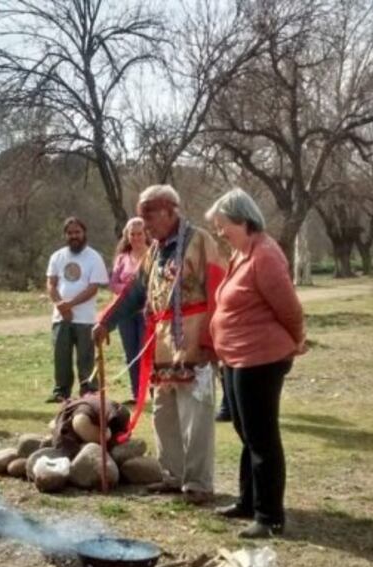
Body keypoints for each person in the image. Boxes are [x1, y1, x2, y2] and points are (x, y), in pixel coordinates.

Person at [95, 185, 226, 504]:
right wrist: (105, 321)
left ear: (170, 210)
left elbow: (218, 291)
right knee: (164, 413)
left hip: (195, 339)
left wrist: (211, 340)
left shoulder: (200, 241)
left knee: (195, 415)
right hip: (162, 344)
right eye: (141, 217)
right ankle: (173, 475)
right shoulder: (155, 251)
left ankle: (198, 483)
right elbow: (134, 293)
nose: (145, 225)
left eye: (149, 216)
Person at [205, 188, 304, 538]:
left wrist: (295, 341)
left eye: (223, 225)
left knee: (262, 438)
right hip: (236, 358)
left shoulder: (265, 255)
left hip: (260, 359)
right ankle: (248, 502)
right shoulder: (241, 254)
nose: (220, 232)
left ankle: (269, 516)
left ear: (244, 221)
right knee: (245, 433)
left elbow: (289, 308)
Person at [45, 217, 109, 403]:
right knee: (61, 356)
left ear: (84, 233)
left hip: (85, 319)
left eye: (77, 232)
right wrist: (60, 305)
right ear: (65, 235)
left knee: (85, 358)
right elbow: (51, 283)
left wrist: (70, 304)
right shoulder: (57, 256)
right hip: (61, 318)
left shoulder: (94, 257)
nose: (74, 236)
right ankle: (61, 392)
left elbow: (93, 288)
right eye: (70, 233)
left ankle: (89, 391)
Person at [109, 217, 149, 403]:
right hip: (125, 313)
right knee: (131, 353)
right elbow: (113, 283)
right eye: (132, 234)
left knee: (146, 352)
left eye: (139, 234)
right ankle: (136, 393)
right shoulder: (122, 258)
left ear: (146, 234)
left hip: (147, 312)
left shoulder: (153, 255)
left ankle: (153, 391)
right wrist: (126, 289)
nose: (136, 238)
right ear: (127, 236)